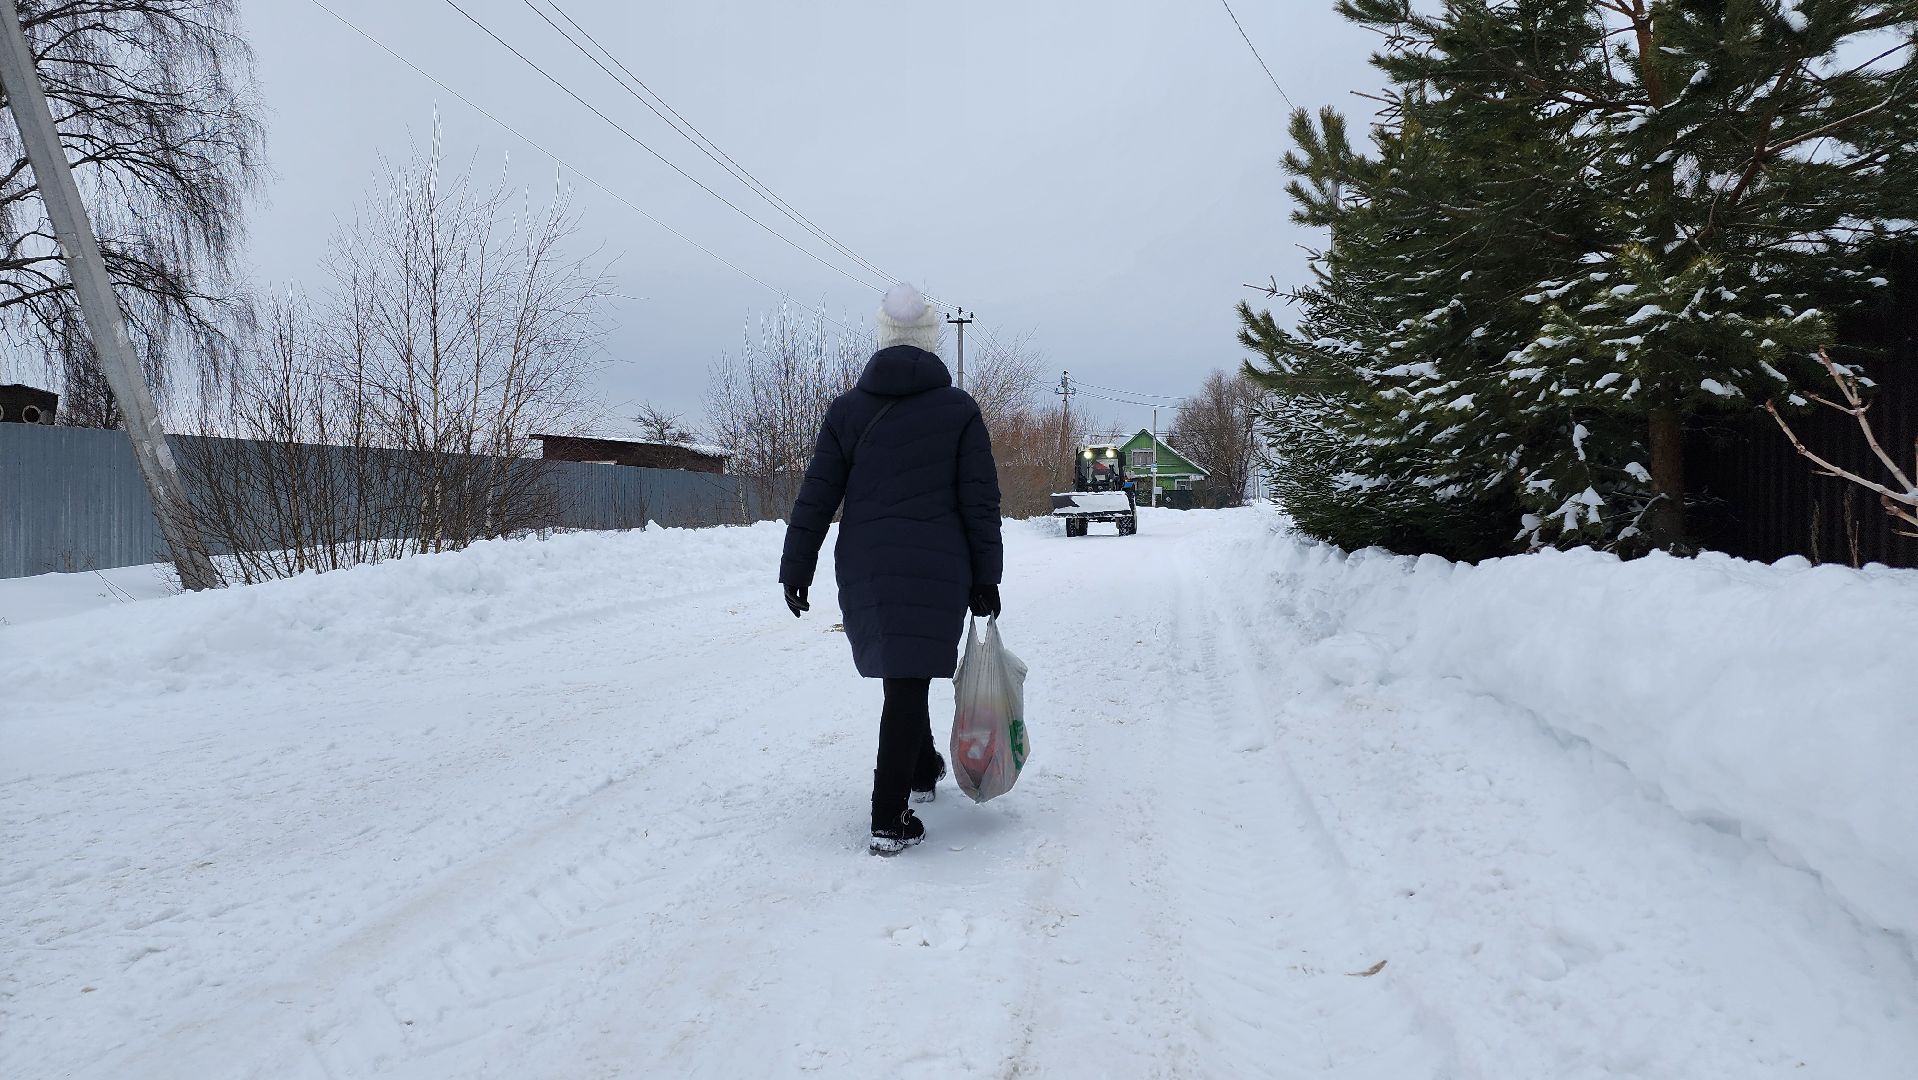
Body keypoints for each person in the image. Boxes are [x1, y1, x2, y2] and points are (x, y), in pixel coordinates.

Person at [779, 283, 1003, 856]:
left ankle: (923, 767)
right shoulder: (958, 411)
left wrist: (796, 565)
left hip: (869, 564)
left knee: (906, 672)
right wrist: (985, 576)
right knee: (908, 678)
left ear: (883, 339)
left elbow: (817, 495)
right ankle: (887, 815)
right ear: (930, 341)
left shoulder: (848, 412)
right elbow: (978, 501)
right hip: (939, 562)